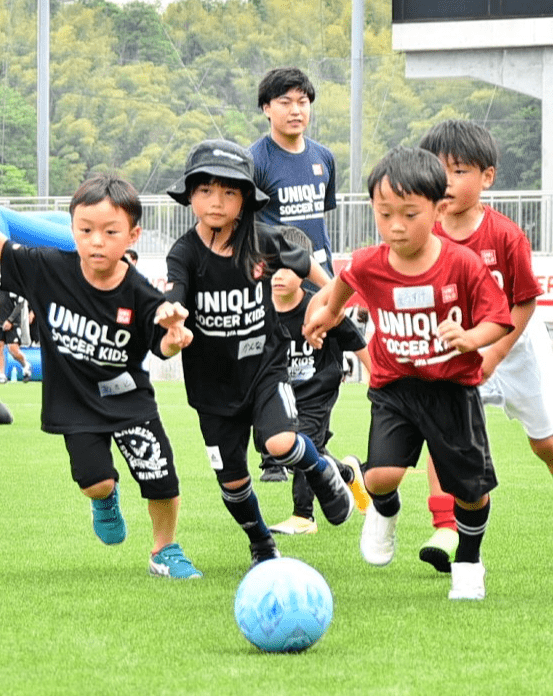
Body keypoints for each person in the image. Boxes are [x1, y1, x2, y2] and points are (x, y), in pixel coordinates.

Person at [303, 145, 514, 600]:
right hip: (394, 386)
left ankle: (469, 561)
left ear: (438, 209)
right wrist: (329, 313)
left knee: (469, 490)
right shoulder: (370, 262)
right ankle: (385, 512)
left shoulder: (462, 264)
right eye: (385, 214)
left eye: (409, 214)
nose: (396, 226)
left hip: (452, 390)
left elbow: (499, 318)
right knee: (381, 477)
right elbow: (346, 280)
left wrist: (470, 338)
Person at [0, 174, 202, 578]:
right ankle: (105, 499)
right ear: (72, 230)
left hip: (129, 402)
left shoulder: (142, 294)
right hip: (74, 402)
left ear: (133, 234)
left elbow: (164, 343)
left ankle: (165, 549)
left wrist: (176, 335)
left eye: (110, 231)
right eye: (85, 230)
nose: (96, 241)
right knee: (95, 482)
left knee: (160, 476)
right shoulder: (47, 269)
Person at [417, 120, 553, 574]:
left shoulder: (505, 236)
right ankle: (446, 526)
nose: (446, 183)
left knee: (545, 443)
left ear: (488, 177)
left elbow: (525, 303)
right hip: (457, 349)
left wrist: (494, 354)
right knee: (444, 433)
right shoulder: (423, 232)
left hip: (515, 345)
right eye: (438, 172)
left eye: (459, 171)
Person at [164, 138, 354, 568]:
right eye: (207, 191)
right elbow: (175, 291)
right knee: (233, 480)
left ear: (246, 198)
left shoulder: (262, 239)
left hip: (265, 371)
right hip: (212, 388)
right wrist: (174, 319)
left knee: (282, 441)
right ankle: (261, 541)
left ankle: (322, 471)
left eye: (229, 192)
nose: (217, 202)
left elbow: (306, 266)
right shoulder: (185, 252)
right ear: (191, 196)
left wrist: (330, 301)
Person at [261, 226, 373, 533]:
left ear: (306, 269)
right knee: (284, 449)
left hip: (317, 388)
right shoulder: (262, 309)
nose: (279, 275)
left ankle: (303, 516)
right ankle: (347, 475)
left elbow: (357, 340)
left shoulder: (320, 308)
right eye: (273, 267)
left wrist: (375, 376)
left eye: (288, 268)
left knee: (303, 442)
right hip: (282, 393)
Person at [250, 67, 337, 275]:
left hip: (320, 274)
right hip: (277, 278)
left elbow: (320, 218)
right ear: (266, 108)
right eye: (285, 102)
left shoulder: (324, 157)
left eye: (302, 101)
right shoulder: (254, 161)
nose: (296, 110)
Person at [0, 279, 32, 382]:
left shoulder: (15, 282)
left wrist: (10, 320)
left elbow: (20, 304)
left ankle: (26, 364)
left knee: (12, 349)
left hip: (13, 323)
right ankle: (2, 375)